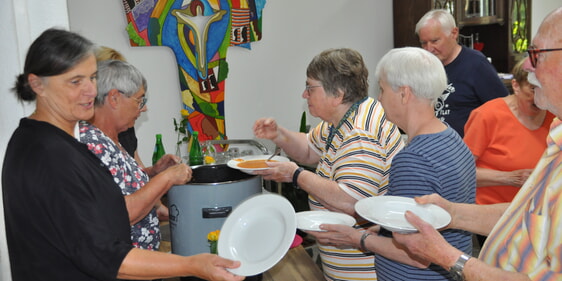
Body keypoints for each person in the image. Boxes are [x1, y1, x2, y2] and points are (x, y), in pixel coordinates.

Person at [2, 28, 243, 281]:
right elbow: (104, 256)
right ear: (37, 84)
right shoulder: (48, 155)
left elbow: (108, 215)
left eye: (92, 78)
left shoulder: (58, 142)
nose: (91, 91)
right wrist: (192, 265)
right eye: (75, 81)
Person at [392, 6, 562, 280]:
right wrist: (451, 213)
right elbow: (528, 215)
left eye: (536, 54)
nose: (526, 66)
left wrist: (448, 258)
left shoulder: (476, 67)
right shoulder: (557, 132)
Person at [310, 47, 476, 281]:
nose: (379, 98)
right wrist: (384, 228)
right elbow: (428, 223)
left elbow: (416, 255)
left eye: (383, 89)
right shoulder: (451, 138)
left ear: (404, 94)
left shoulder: (413, 159)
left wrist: (357, 239)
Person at [252, 48, 404, 280]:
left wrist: (295, 175)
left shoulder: (360, 134)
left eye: (310, 87)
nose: (304, 95)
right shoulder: (344, 118)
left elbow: (349, 201)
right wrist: (278, 134)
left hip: (365, 271)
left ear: (338, 94)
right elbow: (309, 149)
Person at [77, 59, 187, 250]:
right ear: (114, 98)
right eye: (139, 100)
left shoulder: (111, 139)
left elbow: (121, 185)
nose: (143, 108)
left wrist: (154, 172)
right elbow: (121, 213)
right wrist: (167, 178)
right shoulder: (92, 144)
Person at [464, 59, 554, 205]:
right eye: (533, 88)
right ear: (516, 86)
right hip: (491, 213)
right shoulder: (487, 116)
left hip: (537, 212)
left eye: (546, 88)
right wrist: (509, 177)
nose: (540, 96)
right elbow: (460, 172)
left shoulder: (555, 117)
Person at [416, 9, 509, 137]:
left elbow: (503, 110)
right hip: (432, 147)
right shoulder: (423, 67)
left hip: (467, 150)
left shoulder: (476, 64)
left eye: (435, 41)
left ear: (454, 33)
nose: (428, 49)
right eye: (423, 43)